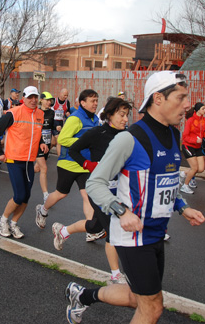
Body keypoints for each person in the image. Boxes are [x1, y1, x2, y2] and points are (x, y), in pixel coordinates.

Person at [65, 71, 205, 324]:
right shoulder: (129, 139)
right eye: (181, 97)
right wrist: (121, 211)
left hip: (155, 232)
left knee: (137, 298)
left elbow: (165, 181)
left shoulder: (173, 134)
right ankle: (82, 296)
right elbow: (95, 183)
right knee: (152, 308)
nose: (188, 104)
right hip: (132, 236)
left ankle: (82, 296)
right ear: (159, 98)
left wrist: (182, 207)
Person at [53, 97, 132, 284]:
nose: (125, 119)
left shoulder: (128, 135)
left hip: (118, 190)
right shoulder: (98, 132)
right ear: (110, 115)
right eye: (121, 115)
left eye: (127, 115)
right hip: (98, 189)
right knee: (113, 230)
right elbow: (73, 150)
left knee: (96, 226)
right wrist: (88, 164)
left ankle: (63, 231)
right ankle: (115, 275)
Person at [35, 89, 100, 239]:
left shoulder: (95, 119)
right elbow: (62, 139)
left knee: (87, 196)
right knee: (61, 193)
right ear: (82, 103)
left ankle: (91, 230)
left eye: (96, 100)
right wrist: (84, 142)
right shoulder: (75, 118)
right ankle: (43, 210)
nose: (95, 103)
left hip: (85, 164)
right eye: (92, 101)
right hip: (69, 163)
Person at [0, 86, 48, 239]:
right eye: (30, 97)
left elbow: (36, 132)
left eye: (35, 97)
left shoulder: (40, 114)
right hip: (14, 159)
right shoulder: (13, 113)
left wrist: (41, 142)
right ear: (23, 98)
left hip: (29, 161)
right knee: (19, 195)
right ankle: (2, 220)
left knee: (26, 196)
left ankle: (14, 223)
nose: (33, 100)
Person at [179, 102, 205, 194]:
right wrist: (195, 140)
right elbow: (185, 136)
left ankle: (183, 173)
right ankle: (185, 186)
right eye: (203, 109)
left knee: (200, 169)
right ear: (198, 110)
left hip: (198, 147)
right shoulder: (191, 120)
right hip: (188, 146)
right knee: (194, 168)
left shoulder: (204, 120)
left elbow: (201, 134)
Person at [35, 91, 55, 203]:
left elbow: (53, 126)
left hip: (47, 144)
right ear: (41, 100)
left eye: (50, 100)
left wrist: (56, 132)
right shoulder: (36, 112)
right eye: (47, 100)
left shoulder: (52, 112)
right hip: (37, 144)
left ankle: (24, 175)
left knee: (37, 168)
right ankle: (46, 195)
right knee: (44, 168)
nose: (49, 102)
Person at [52, 88, 71, 155]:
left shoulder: (67, 102)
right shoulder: (54, 101)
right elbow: (50, 112)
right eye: (64, 95)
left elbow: (68, 111)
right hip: (54, 123)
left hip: (61, 123)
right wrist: (55, 124)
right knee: (59, 141)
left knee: (53, 142)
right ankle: (60, 158)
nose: (65, 97)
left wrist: (68, 114)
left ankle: (46, 152)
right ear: (60, 93)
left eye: (67, 95)